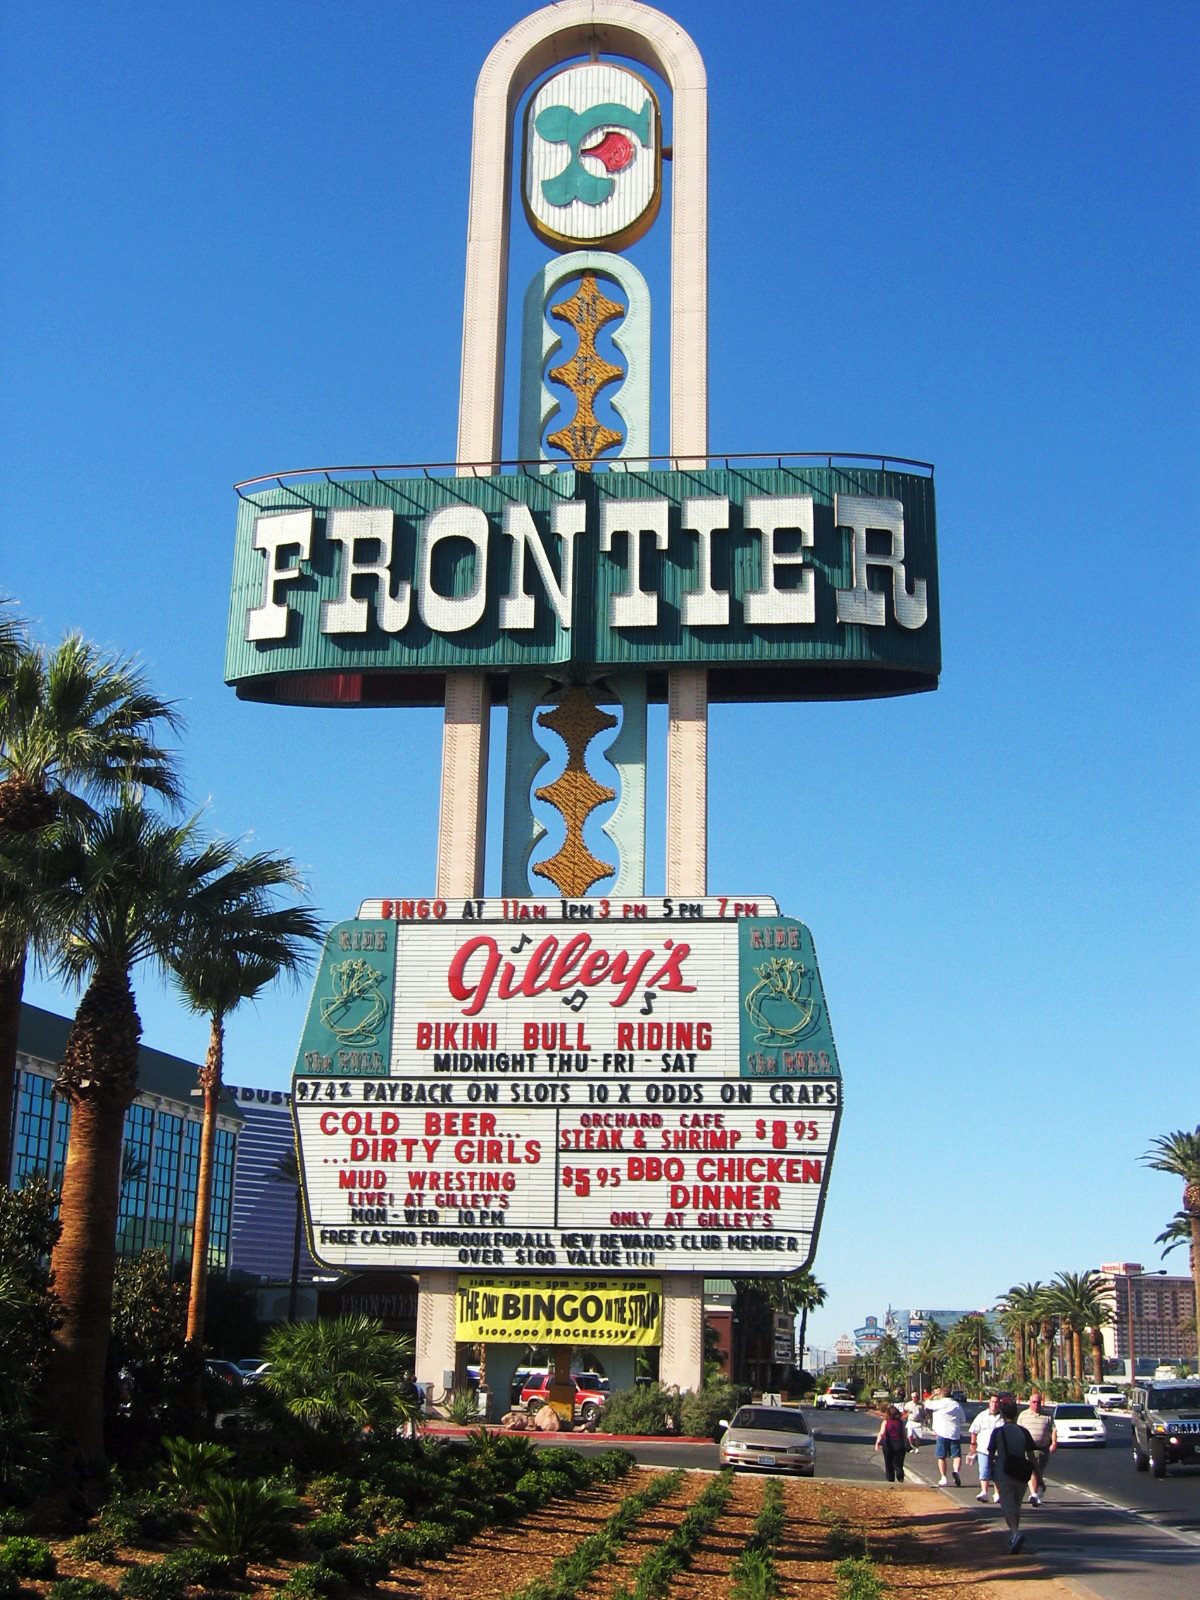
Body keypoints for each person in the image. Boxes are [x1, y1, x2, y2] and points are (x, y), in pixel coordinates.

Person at [987, 1397, 1035, 1554]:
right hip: (1021, 1472)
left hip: (1004, 1471)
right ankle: (1014, 1535)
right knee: (1016, 1505)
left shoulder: (998, 1432)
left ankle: (1015, 1533)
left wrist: (989, 1473)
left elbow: (991, 1453)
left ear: (1002, 1414)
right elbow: (1031, 1455)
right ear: (1016, 1414)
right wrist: (1038, 1476)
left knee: (1008, 1506)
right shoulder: (1023, 1432)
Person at [1016, 1390, 1057, 1505]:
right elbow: (1018, 1431)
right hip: (1027, 1449)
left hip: (1042, 1448)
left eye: (1038, 1402)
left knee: (1038, 1470)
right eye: (1034, 1402)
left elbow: (1053, 1430)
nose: (1036, 1404)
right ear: (1030, 1403)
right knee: (1031, 1471)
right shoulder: (1023, 1415)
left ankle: (1040, 1487)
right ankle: (1034, 1494)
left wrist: (1054, 1442)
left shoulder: (1047, 1416)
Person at [925, 1385, 966, 1486]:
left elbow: (926, 1403)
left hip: (942, 1433)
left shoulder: (939, 1403)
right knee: (956, 1455)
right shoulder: (956, 1405)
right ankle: (956, 1471)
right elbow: (963, 1420)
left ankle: (943, 1477)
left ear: (942, 1394)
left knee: (941, 1456)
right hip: (955, 1433)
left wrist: (934, 1394)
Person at [968, 1394, 1004, 1503]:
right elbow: (974, 1430)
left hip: (999, 1451)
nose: (994, 1404)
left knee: (998, 1472)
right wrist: (973, 1444)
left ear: (999, 1404)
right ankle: (984, 1492)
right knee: (984, 1470)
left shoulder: (1003, 1417)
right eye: (992, 1402)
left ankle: (997, 1494)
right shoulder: (981, 1416)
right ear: (989, 1403)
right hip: (984, 1449)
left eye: (997, 1402)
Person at [874, 1404, 909, 1481]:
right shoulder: (900, 1422)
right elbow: (904, 1434)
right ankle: (900, 1474)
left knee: (888, 1462)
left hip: (888, 1444)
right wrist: (905, 1442)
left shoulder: (886, 1422)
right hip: (899, 1444)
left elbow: (881, 1433)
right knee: (898, 1462)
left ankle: (890, 1479)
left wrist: (877, 1443)